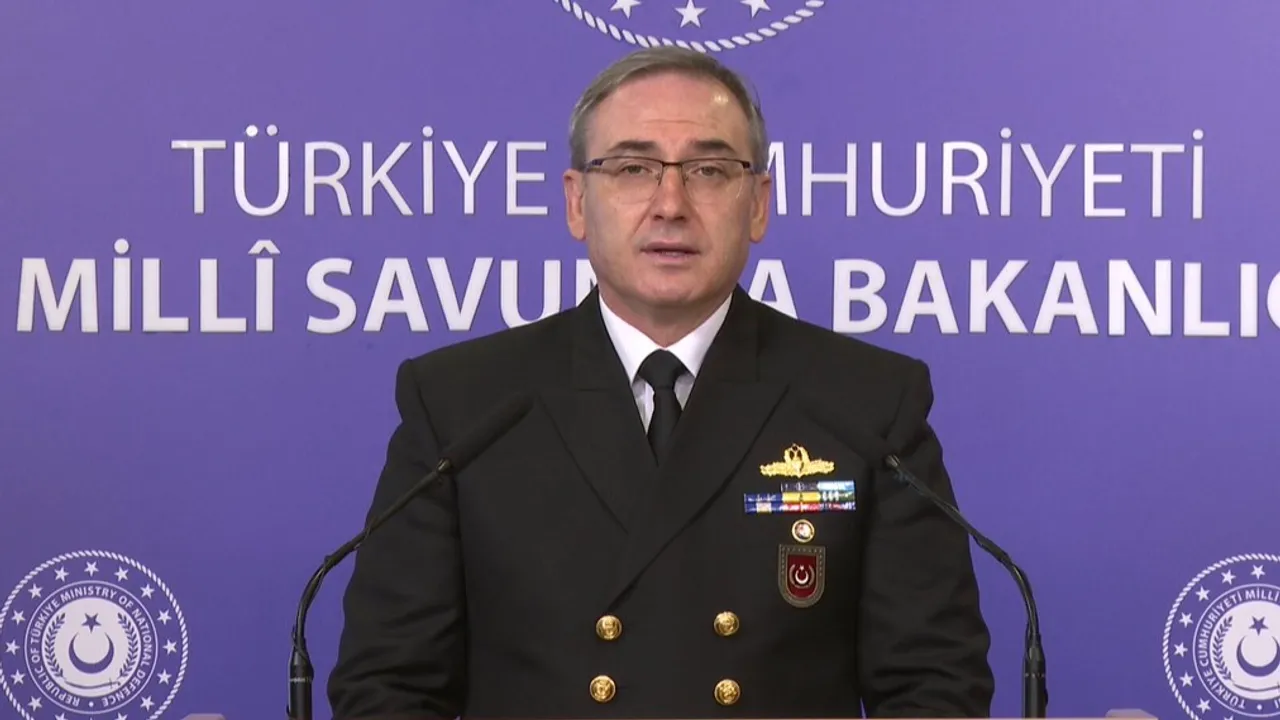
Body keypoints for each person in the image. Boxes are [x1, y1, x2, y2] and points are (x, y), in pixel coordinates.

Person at [327, 46, 994, 719]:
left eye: (709, 170)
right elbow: (389, 689)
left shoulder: (866, 404)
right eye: (632, 168)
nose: (670, 204)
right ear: (577, 203)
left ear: (758, 204)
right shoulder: (463, 405)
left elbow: (935, 686)